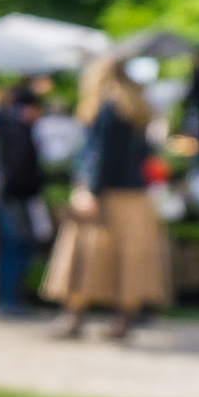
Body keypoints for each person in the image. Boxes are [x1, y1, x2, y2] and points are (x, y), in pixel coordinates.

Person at [43, 58, 170, 340]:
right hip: (136, 197)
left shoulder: (108, 108)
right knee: (130, 261)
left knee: (85, 257)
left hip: (108, 195)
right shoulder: (138, 108)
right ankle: (123, 321)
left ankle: (73, 318)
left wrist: (90, 190)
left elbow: (102, 156)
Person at [0, 85, 45, 316]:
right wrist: (35, 185)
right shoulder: (19, 130)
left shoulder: (6, 127)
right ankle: (10, 300)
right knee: (17, 249)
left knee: (12, 249)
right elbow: (19, 169)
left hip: (8, 196)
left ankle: (10, 298)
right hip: (16, 197)